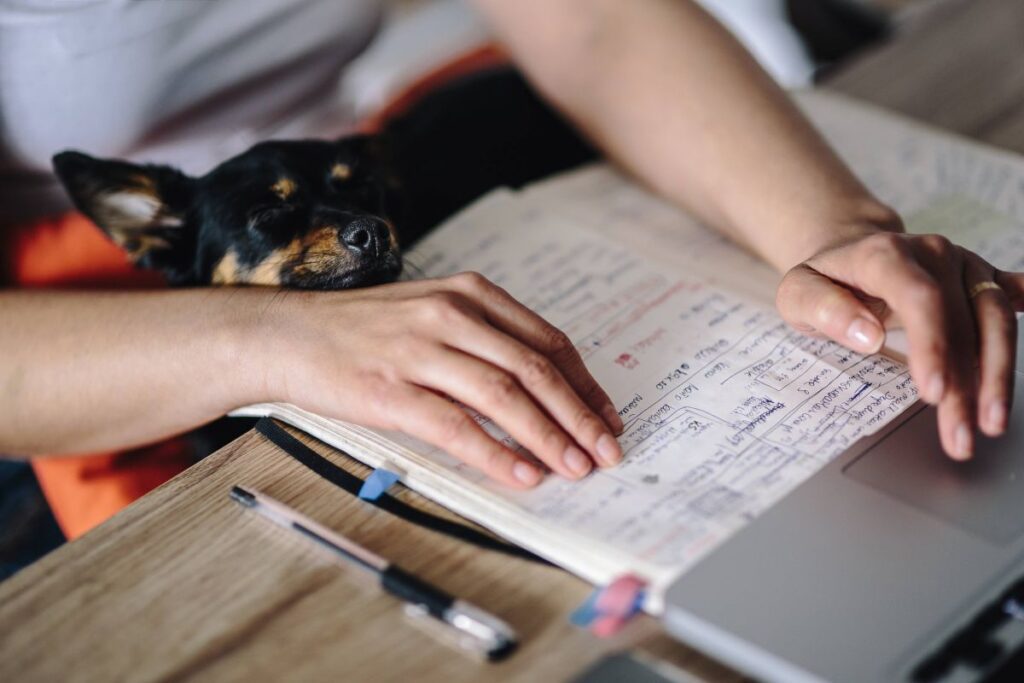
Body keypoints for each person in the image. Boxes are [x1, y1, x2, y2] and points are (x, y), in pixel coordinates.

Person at [1, 0, 1021, 497]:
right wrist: (269, 336)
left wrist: (835, 233)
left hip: (348, 169)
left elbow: (590, 23)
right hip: (70, 332)